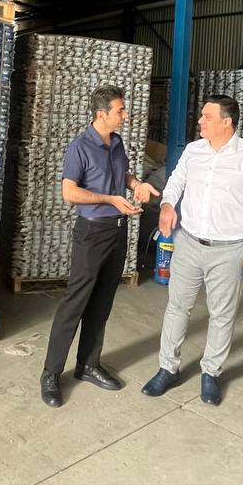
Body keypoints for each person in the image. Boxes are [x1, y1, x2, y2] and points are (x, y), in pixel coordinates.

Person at [142, 96, 243, 407]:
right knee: (177, 307)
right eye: (201, 115)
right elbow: (175, 183)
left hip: (228, 250)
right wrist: (168, 205)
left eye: (207, 116)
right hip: (188, 243)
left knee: (222, 315)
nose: (200, 121)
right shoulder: (193, 151)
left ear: (227, 122)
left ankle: (211, 373)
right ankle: (167, 368)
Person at [41, 85, 159, 408]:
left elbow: (123, 174)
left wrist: (137, 184)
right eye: (120, 110)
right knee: (75, 302)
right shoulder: (80, 147)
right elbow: (69, 193)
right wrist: (110, 200)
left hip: (117, 231)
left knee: (102, 302)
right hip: (92, 233)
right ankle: (51, 373)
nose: (125, 115)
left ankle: (88, 364)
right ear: (101, 114)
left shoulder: (116, 143)